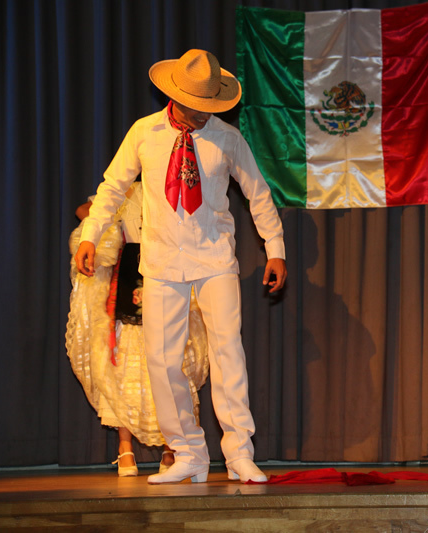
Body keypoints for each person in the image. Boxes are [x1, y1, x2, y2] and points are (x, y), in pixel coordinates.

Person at [74, 49, 287, 484]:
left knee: (228, 353)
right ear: (175, 97)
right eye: (196, 105)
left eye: (210, 105)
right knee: (162, 360)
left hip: (215, 258)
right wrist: (91, 234)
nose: (204, 113)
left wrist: (276, 248)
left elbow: (258, 193)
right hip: (161, 260)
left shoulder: (227, 138)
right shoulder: (145, 133)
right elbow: (112, 187)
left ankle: (239, 454)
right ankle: (188, 453)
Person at [66, 181, 209, 476]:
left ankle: (173, 448)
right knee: (126, 366)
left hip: (167, 271)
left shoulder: (175, 188)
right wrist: (109, 220)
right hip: (131, 275)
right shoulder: (125, 190)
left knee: (171, 363)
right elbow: (83, 210)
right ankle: (125, 449)